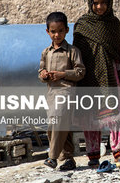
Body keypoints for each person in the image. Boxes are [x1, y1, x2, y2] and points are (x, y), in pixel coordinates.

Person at [73, 0, 120, 169]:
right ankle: (92, 155)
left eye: (103, 3)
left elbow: (118, 52)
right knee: (90, 116)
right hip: (89, 78)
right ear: (90, 4)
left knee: (115, 115)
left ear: (109, 3)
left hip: (110, 75)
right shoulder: (82, 25)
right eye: (96, 3)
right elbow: (77, 53)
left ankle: (119, 153)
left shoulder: (113, 23)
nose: (99, 7)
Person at [39, 12, 85, 171]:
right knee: (55, 126)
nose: (56, 34)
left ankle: (52, 157)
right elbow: (40, 72)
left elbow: (80, 72)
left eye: (60, 31)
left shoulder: (72, 51)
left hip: (67, 92)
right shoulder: (46, 52)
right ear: (47, 32)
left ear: (66, 30)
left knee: (58, 121)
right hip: (51, 93)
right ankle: (67, 159)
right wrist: (44, 75)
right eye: (53, 31)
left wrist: (63, 74)